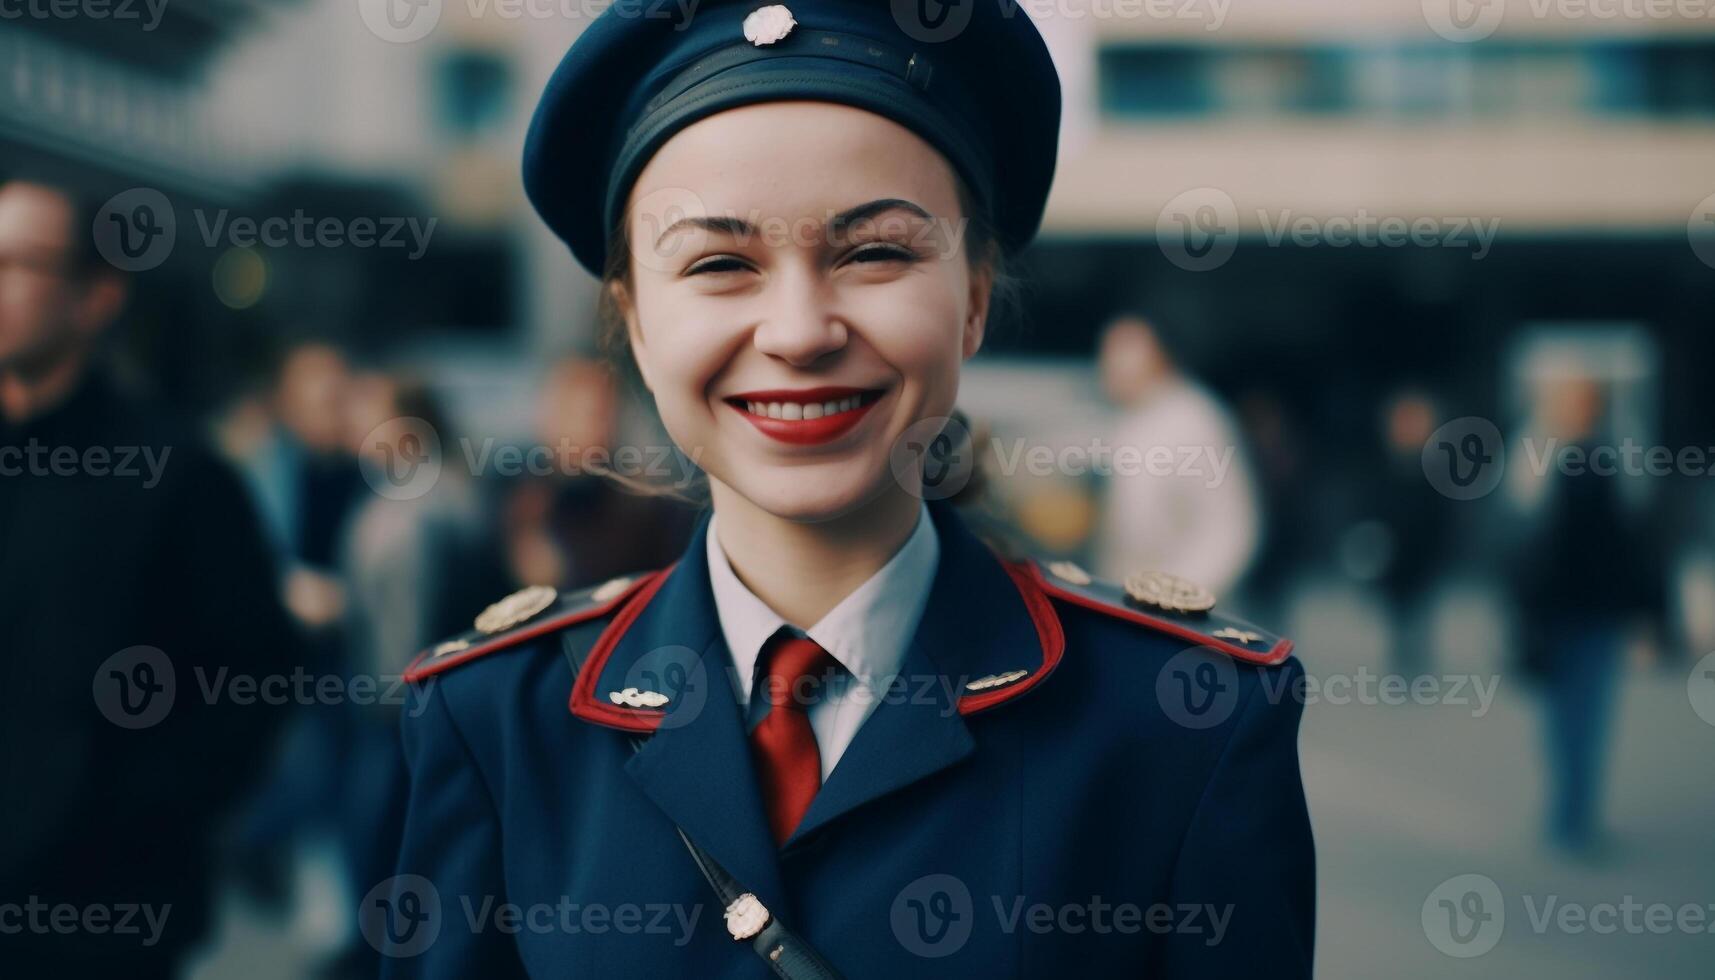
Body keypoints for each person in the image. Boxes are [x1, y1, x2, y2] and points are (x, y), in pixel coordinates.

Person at [385, 3, 1314, 976]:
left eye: (874, 251)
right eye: (718, 263)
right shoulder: (495, 716)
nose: (797, 330)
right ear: (635, 322)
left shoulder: (1183, 721)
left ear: (975, 297)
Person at [0, 177, 298, 976]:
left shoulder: (176, 474)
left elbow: (256, 675)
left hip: (100, 920)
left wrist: (127, 816)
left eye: (18, 263)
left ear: (95, 296)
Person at [1504, 369, 1665, 858]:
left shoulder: (1605, 461)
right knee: (1567, 720)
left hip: (1591, 612)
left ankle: (1574, 815)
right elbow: (1521, 549)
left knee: (1585, 718)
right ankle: (1569, 816)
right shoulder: (1538, 463)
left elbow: (1630, 545)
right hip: (1560, 612)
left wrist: (1645, 611)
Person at [1093, 315, 1262, 597]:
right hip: (1131, 598)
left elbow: (1233, 529)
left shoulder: (1196, 419)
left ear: (1161, 355)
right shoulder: (1129, 419)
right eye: (1108, 350)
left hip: (1182, 606)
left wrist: (1179, 595)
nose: (1111, 362)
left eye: (1126, 350)